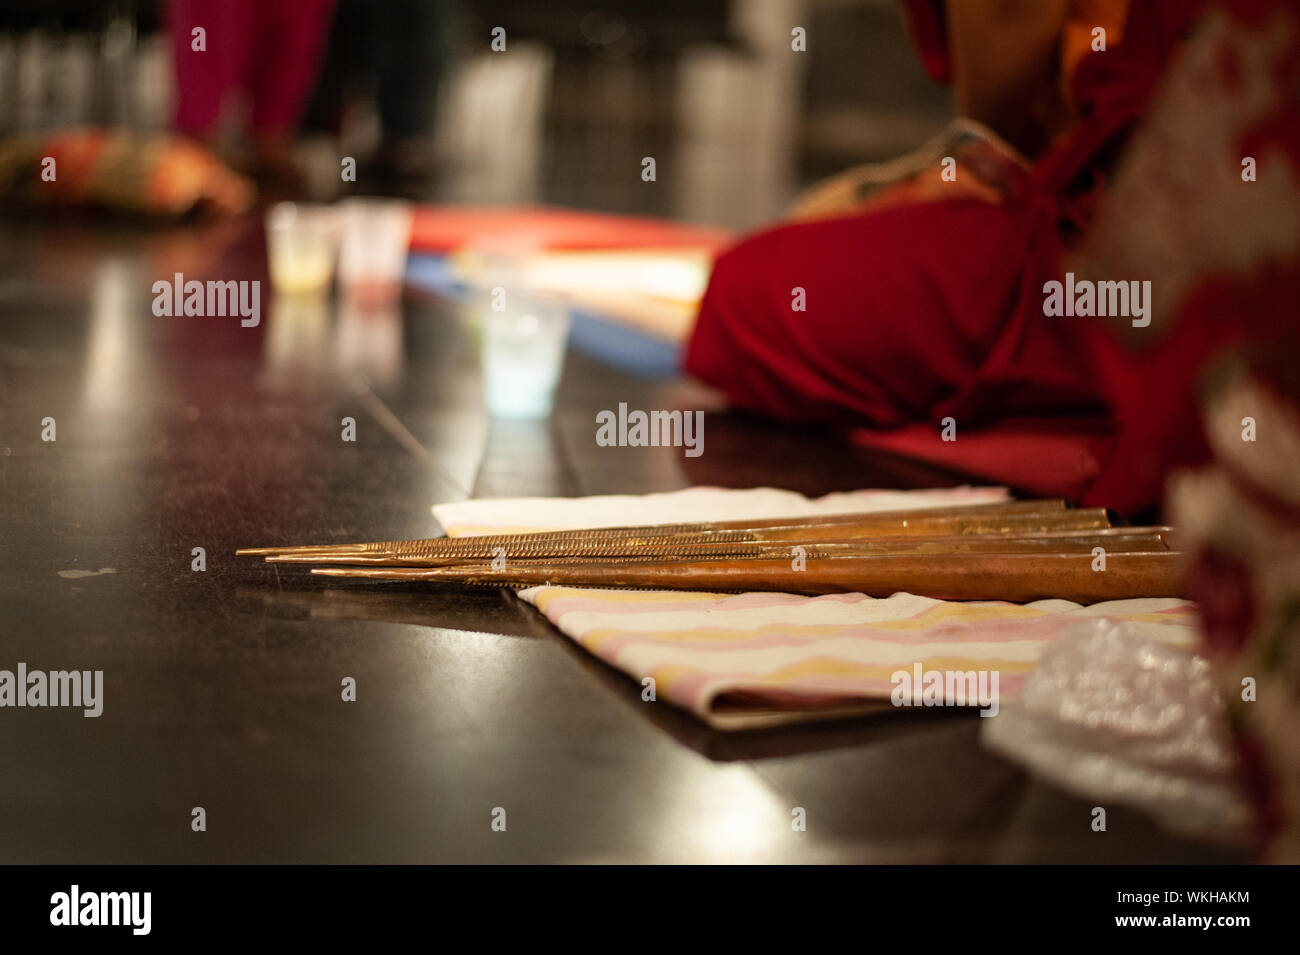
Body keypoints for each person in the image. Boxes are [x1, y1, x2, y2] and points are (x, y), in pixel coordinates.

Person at [684, 0, 1274, 515]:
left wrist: (981, 162)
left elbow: (1013, 13)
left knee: (742, 295)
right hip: (1237, 235)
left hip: (1166, 252)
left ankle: (1156, 408)